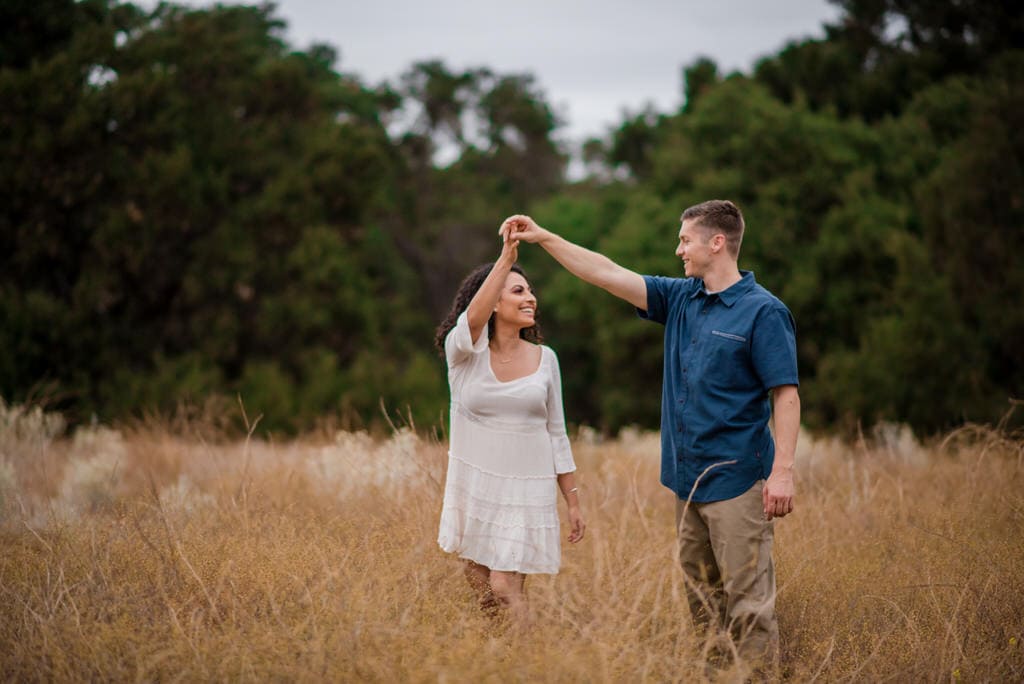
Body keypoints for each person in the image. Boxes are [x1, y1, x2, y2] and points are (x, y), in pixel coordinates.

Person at [502, 200, 799, 667]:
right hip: (686, 484)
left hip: (740, 482)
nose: (678, 249)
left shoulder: (764, 313)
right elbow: (605, 272)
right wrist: (544, 238)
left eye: (685, 239)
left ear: (716, 243)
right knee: (704, 608)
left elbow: (786, 395)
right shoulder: (680, 298)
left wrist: (782, 472)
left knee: (749, 608)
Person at [433, 220, 586, 624]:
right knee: (483, 591)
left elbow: (558, 434)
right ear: (493, 302)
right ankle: (506, 663)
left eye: (531, 290)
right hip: (478, 489)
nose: (531, 298)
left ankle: (538, 662)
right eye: (518, 291)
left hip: (527, 492)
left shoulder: (546, 359)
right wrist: (506, 259)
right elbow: (470, 321)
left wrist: (572, 500)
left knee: (503, 587)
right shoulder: (462, 356)